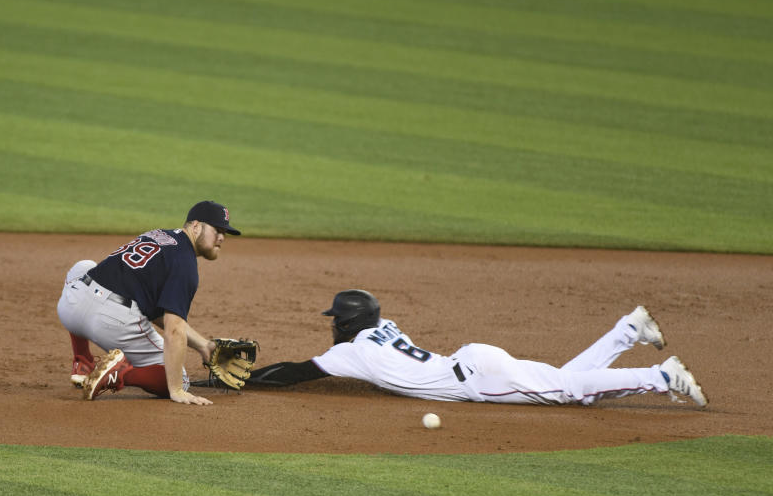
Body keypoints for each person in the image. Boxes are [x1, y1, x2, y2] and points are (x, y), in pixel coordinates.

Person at [246, 289, 708, 407]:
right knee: (563, 380)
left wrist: (244, 380)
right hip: (476, 360)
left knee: (571, 392)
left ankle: (661, 376)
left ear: (344, 324)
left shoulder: (351, 353)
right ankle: (630, 329)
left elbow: (294, 372)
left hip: (482, 380)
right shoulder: (384, 326)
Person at [57, 200, 241, 405]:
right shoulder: (185, 264)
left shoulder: (158, 235)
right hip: (109, 322)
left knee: (84, 266)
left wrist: (204, 346)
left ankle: (82, 362)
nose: (222, 238)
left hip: (71, 305)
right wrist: (177, 389)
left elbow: (153, 310)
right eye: (217, 230)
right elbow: (174, 330)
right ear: (196, 226)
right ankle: (120, 374)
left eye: (225, 233)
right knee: (179, 378)